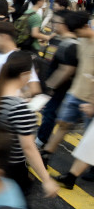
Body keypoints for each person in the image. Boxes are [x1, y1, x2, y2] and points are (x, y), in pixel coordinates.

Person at [0, 51, 59, 197]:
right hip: (12, 169)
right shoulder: (20, 108)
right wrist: (46, 179)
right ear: (24, 74)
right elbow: (28, 148)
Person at [40, 11, 94, 162]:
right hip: (75, 92)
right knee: (62, 124)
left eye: (77, 31)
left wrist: (92, 102)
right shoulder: (81, 41)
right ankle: (46, 154)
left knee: (90, 136)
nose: (75, 34)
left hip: (90, 99)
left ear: (85, 26)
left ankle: (87, 168)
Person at [35, 11, 80, 148]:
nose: (52, 24)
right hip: (54, 87)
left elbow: (66, 70)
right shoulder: (60, 40)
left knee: (50, 114)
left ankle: (41, 141)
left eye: (55, 22)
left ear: (64, 24)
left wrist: (49, 87)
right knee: (49, 113)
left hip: (59, 88)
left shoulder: (71, 45)